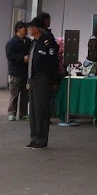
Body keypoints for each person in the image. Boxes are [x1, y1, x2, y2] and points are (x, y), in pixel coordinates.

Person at [25, 15, 61, 148]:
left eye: (31, 27)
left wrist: (53, 81)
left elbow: (53, 63)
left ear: (37, 28)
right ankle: (34, 137)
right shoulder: (33, 43)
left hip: (43, 79)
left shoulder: (46, 43)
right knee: (33, 110)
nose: (29, 29)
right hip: (33, 79)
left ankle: (42, 139)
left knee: (41, 110)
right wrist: (28, 79)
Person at [4, 20, 29, 121]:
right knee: (14, 93)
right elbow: (10, 56)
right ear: (18, 29)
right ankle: (12, 113)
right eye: (24, 28)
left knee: (25, 94)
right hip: (15, 71)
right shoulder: (11, 42)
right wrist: (22, 58)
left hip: (26, 71)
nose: (26, 30)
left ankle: (23, 113)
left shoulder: (28, 41)